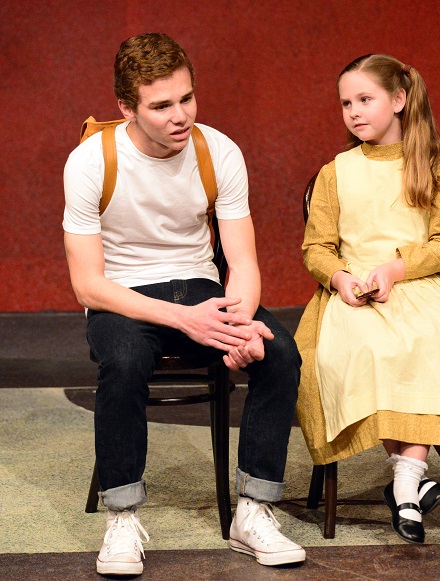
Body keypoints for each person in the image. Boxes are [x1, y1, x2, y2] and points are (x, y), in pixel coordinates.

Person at [63, 32, 305, 576]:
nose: (181, 116)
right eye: (162, 105)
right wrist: (188, 322)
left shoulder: (218, 151)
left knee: (279, 352)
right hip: (123, 295)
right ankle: (122, 519)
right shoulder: (90, 162)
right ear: (127, 107)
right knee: (124, 362)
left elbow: (241, 263)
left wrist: (238, 322)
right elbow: (87, 286)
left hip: (199, 285)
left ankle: (254, 512)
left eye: (187, 98)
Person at [295, 53, 440, 545]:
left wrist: (398, 269)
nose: (354, 112)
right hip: (352, 292)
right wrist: (340, 279)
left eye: (366, 99)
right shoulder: (335, 171)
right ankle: (412, 488)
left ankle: (404, 482)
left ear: (400, 100)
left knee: (425, 341)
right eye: (345, 103)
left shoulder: (435, 169)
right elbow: (316, 247)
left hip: (416, 286)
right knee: (368, 349)